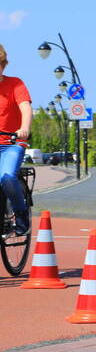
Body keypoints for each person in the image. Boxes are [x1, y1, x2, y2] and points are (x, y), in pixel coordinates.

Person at [0, 44, 33, 236]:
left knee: (6, 176)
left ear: (3, 65)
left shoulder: (15, 84)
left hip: (11, 143)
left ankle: (21, 214)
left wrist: (24, 128)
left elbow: (25, 107)